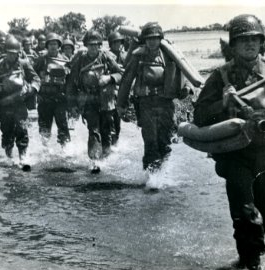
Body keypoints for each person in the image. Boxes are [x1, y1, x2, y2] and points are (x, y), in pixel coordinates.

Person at [193, 14, 265, 270]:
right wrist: (222, 103)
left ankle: (246, 258)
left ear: (261, 42)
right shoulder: (221, 76)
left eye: (254, 39)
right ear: (233, 45)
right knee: (245, 211)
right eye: (243, 40)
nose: (249, 44)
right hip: (237, 154)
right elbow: (200, 115)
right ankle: (254, 268)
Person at [117, 22, 187, 172]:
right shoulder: (138, 56)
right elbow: (127, 80)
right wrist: (121, 104)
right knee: (150, 141)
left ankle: (162, 173)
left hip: (165, 104)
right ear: (144, 40)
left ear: (160, 38)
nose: (152, 41)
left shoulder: (169, 55)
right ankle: (151, 177)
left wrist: (186, 89)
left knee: (164, 140)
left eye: (155, 38)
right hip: (146, 104)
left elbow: (183, 73)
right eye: (149, 38)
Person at [66, 30, 123, 173]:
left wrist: (109, 78)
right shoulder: (80, 60)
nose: (93, 48)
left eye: (96, 44)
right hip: (89, 100)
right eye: (90, 45)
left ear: (100, 45)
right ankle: (95, 161)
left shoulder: (107, 57)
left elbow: (121, 73)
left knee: (106, 130)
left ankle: (106, 157)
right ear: (86, 45)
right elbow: (71, 84)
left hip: (106, 100)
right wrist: (72, 105)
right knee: (94, 130)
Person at [0, 36, 41, 167]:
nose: (12, 56)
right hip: (3, 105)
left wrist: (30, 89)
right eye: (9, 53)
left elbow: (36, 79)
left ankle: (23, 157)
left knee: (22, 129)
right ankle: (9, 156)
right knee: (7, 132)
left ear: (18, 53)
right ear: (5, 52)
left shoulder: (24, 64)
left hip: (20, 103)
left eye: (14, 54)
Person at [34, 33, 71, 147]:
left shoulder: (65, 60)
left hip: (60, 98)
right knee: (44, 127)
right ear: (47, 46)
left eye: (55, 44)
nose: (53, 46)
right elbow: (32, 76)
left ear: (59, 45)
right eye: (51, 44)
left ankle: (64, 149)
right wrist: (36, 94)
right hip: (44, 98)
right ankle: (45, 149)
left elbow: (70, 80)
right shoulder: (41, 60)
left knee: (63, 126)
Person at [108, 32, 127, 145]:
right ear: (110, 43)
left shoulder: (125, 56)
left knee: (117, 120)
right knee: (109, 118)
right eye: (115, 42)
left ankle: (115, 142)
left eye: (119, 42)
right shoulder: (107, 55)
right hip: (110, 90)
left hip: (121, 91)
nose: (117, 44)